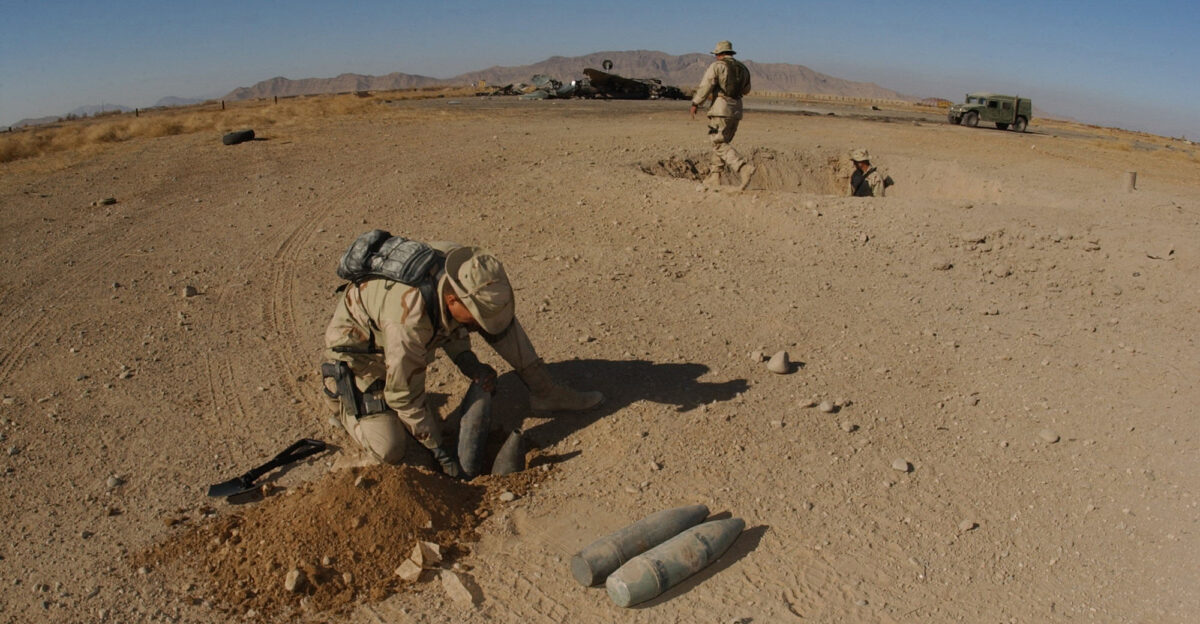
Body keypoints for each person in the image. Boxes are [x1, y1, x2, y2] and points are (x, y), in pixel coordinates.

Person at [321, 240, 604, 477]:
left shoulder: (460, 270)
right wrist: (441, 453)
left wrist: (468, 361)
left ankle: (545, 392)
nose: (478, 327)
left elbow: (447, 321)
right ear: (454, 300)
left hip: (401, 335)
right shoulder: (408, 324)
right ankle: (343, 407)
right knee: (391, 448)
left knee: (498, 322)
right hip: (363, 358)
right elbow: (404, 397)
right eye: (475, 318)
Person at [690, 40, 754, 190]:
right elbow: (746, 90)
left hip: (721, 109)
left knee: (717, 143)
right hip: (736, 110)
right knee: (722, 143)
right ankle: (715, 176)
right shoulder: (743, 68)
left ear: (719, 54)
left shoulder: (717, 66)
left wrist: (695, 103)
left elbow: (706, 86)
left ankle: (743, 168)